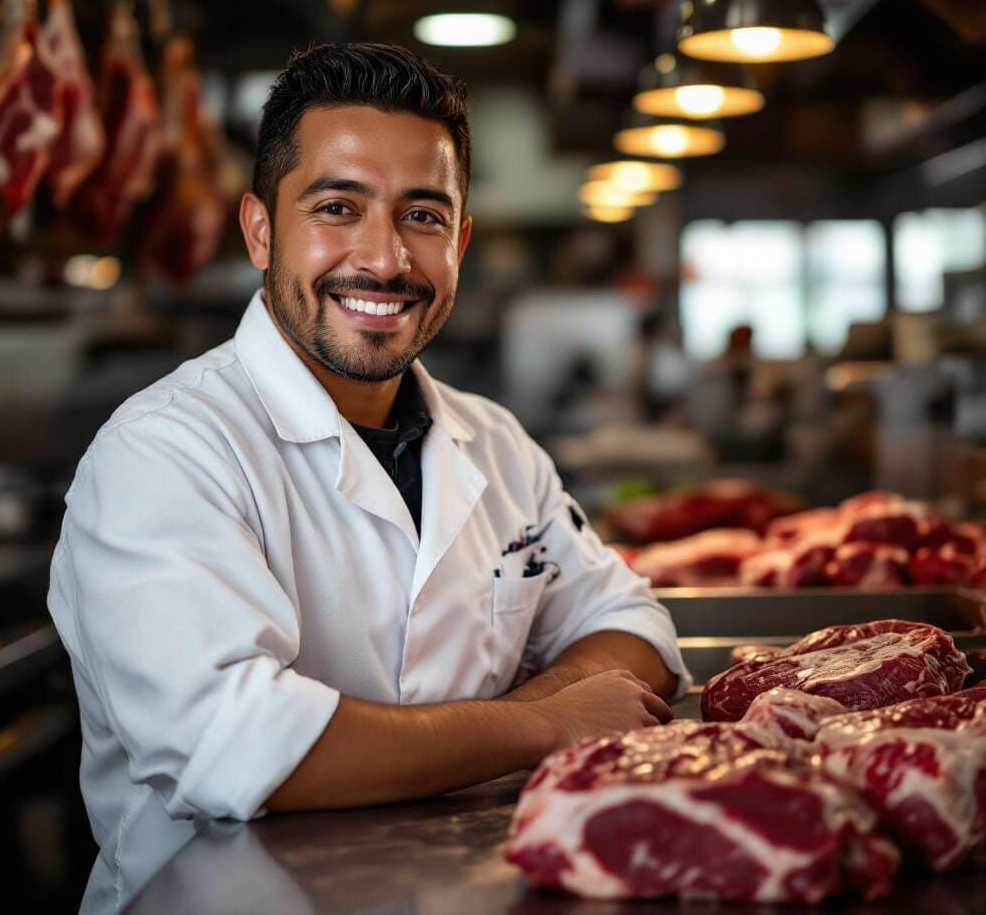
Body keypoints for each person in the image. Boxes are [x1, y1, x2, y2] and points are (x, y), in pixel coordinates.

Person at [48, 44, 690, 913]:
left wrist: (476, 733)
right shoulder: (164, 453)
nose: (385, 259)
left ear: (460, 241)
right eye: (338, 206)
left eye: (423, 216)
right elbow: (241, 745)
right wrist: (541, 724)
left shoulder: (496, 444)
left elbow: (635, 632)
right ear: (261, 229)